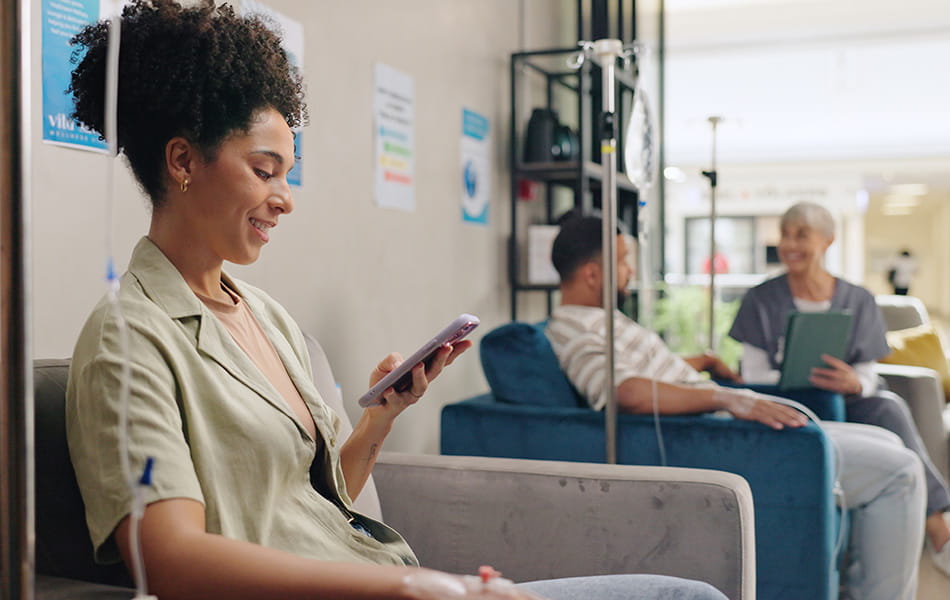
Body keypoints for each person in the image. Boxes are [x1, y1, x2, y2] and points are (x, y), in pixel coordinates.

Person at [63, 2, 727, 600]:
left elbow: (320, 501)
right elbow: (168, 561)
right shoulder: (130, 338)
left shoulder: (266, 317)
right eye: (264, 170)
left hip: (397, 580)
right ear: (182, 162)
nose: (285, 197)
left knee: (683, 594)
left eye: (287, 175)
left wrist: (380, 419)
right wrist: (412, 586)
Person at [544, 212, 927, 600]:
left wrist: (701, 362)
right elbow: (625, 391)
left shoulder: (604, 322)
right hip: (724, 437)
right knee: (901, 472)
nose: (630, 271)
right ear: (593, 274)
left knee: (887, 440)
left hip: (726, 423)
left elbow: (641, 372)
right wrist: (729, 397)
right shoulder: (576, 329)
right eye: (623, 261)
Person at [728, 202, 950, 577]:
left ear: (828, 241)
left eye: (801, 234)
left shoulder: (857, 299)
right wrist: (796, 379)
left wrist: (853, 381)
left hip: (843, 402)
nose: (789, 244)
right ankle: (938, 528)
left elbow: (868, 373)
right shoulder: (760, 299)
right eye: (784, 234)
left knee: (888, 407)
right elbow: (752, 373)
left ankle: (937, 520)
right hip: (784, 404)